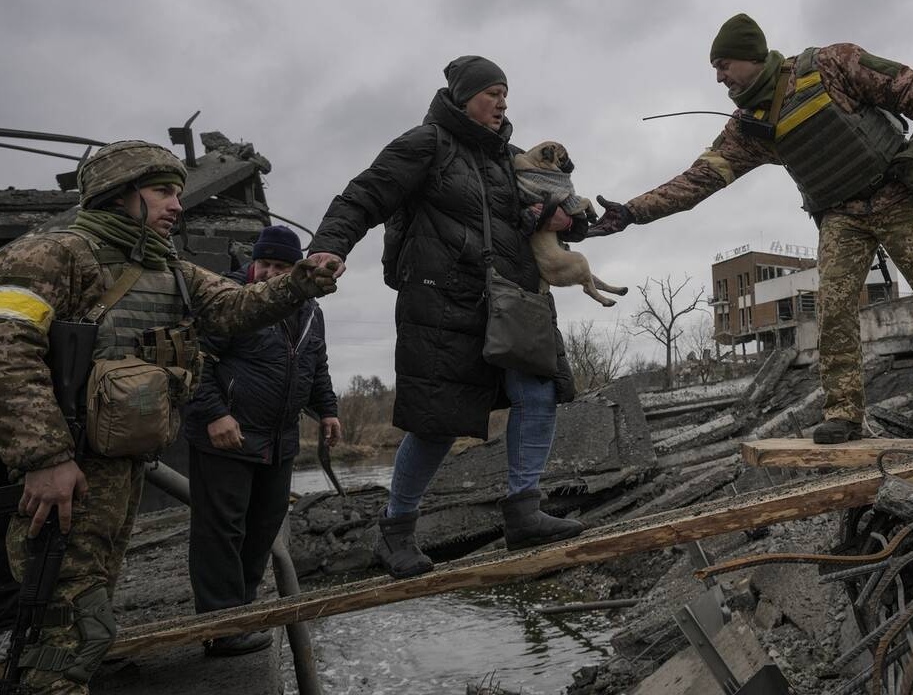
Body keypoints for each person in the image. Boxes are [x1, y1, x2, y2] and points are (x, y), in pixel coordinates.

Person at [0, 141, 338, 693]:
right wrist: (45, 458)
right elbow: (7, 353)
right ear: (118, 194)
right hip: (67, 467)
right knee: (61, 618)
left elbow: (237, 306)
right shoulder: (48, 257)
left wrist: (301, 281)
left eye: (179, 192)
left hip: (123, 464)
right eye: (163, 192)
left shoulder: (169, 270)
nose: (176, 205)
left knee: (94, 590)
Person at [587, 13, 913, 444]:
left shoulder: (829, 64)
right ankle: (844, 414)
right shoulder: (748, 127)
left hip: (901, 197)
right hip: (842, 218)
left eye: (723, 64)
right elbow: (698, 180)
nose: (718, 77)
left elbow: (906, 86)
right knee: (833, 313)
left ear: (751, 56)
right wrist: (632, 212)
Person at [304, 56, 586, 579]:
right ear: (462, 97)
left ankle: (524, 510)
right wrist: (329, 246)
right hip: (442, 303)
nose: (502, 103)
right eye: (491, 93)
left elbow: (543, 214)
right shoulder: (426, 143)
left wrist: (577, 219)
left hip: (515, 298)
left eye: (506, 94)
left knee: (538, 391)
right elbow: (363, 194)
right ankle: (396, 531)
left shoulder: (512, 160)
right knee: (437, 422)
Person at [180, 224, 341, 656]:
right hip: (225, 437)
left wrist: (327, 409)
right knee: (221, 532)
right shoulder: (226, 299)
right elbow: (195, 361)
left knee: (262, 528)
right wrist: (216, 414)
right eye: (264, 263)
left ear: (296, 268)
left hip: (278, 440)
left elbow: (315, 362)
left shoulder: (309, 308)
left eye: (281, 265)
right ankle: (221, 628)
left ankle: (243, 614)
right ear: (252, 263)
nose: (270, 273)